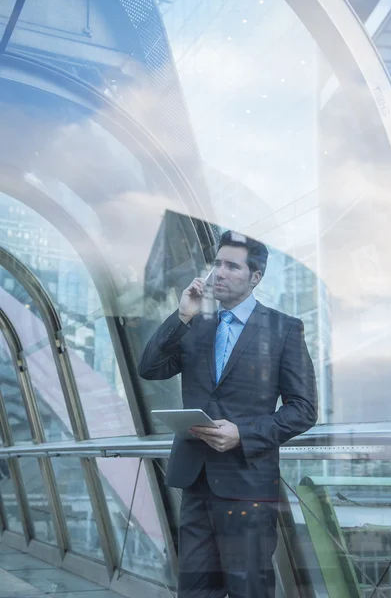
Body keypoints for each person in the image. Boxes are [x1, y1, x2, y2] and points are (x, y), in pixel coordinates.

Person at [139, 230, 318, 598]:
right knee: (193, 590)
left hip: (248, 484)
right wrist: (182, 315)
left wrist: (243, 433)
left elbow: (303, 410)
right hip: (195, 480)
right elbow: (149, 368)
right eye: (216, 263)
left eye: (231, 266)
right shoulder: (195, 324)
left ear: (255, 277)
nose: (219, 272)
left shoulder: (284, 329)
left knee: (247, 587)